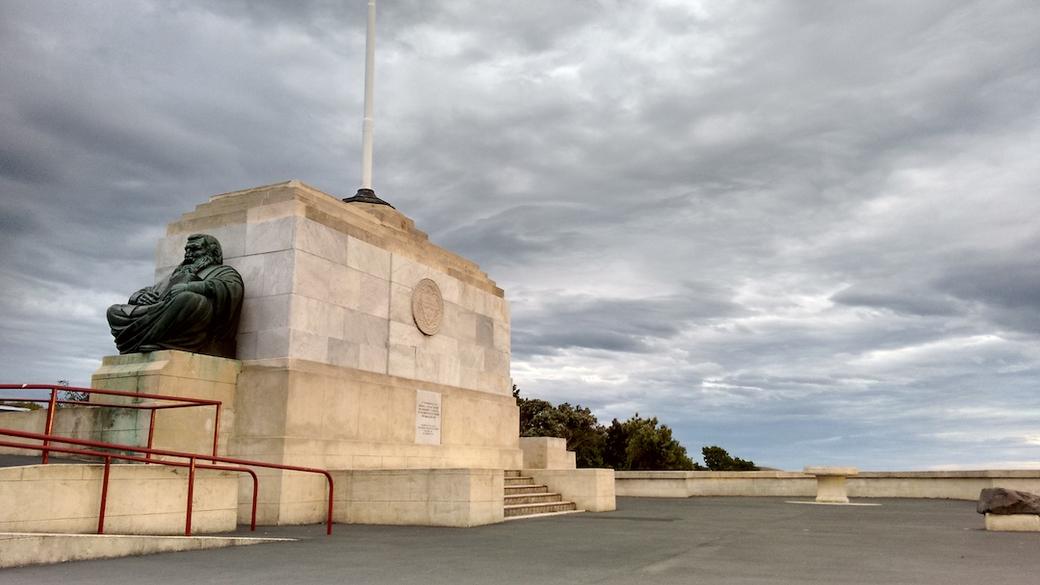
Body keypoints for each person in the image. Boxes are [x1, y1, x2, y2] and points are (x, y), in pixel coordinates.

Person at [107, 234, 243, 358]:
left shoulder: (223, 271)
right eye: (187, 250)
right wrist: (138, 296)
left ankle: (154, 339)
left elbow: (232, 288)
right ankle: (149, 339)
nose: (189, 254)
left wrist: (189, 287)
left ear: (213, 253)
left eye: (195, 249)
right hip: (159, 309)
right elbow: (153, 289)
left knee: (188, 299)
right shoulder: (177, 273)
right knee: (114, 311)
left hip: (186, 312)